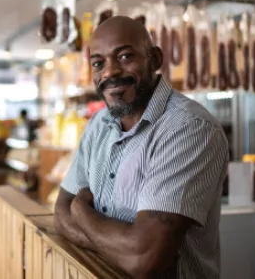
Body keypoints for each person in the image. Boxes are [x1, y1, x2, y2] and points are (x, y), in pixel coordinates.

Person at [54, 16, 228, 278]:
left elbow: (143, 258)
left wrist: (81, 212)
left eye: (124, 57)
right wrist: (116, 248)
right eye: (98, 63)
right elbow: (60, 212)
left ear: (155, 59)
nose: (110, 72)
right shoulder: (98, 124)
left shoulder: (189, 128)